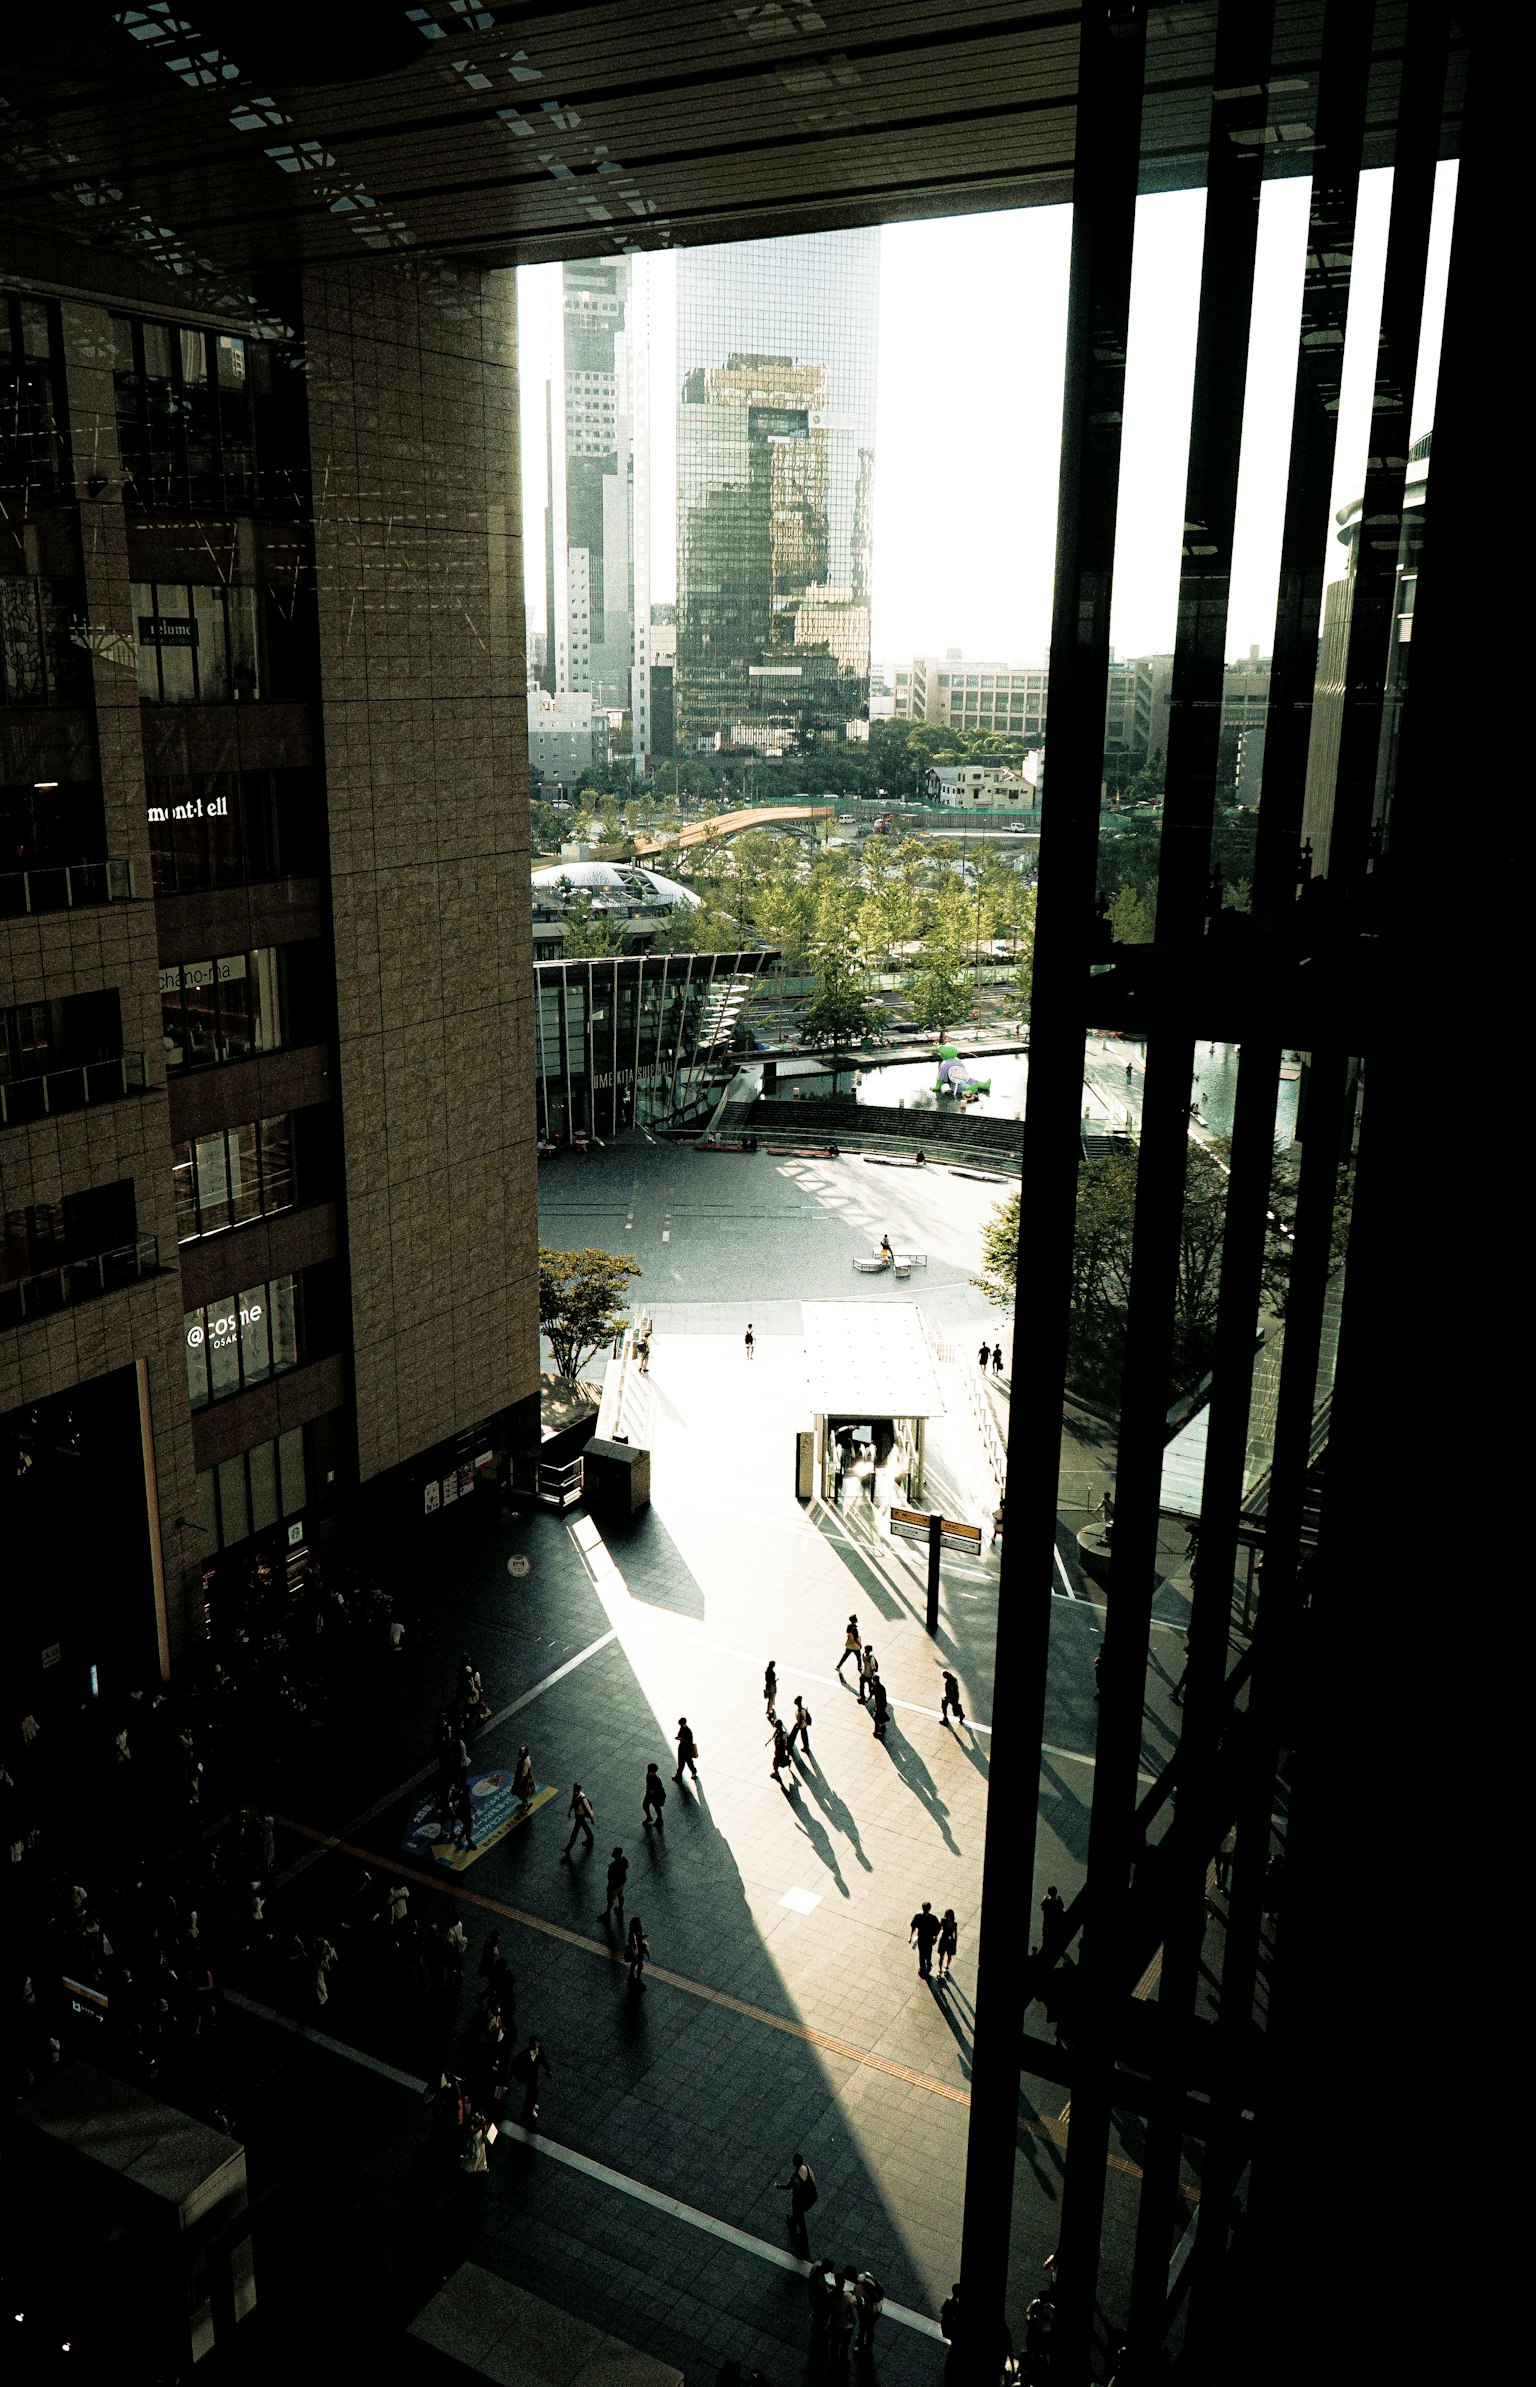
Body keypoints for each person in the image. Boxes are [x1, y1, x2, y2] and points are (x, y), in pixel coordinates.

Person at [774, 2150, 817, 2256]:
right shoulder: (807, 2168)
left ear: (794, 2163)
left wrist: (778, 2186)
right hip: (811, 2196)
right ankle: (793, 2220)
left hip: (800, 2200)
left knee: (800, 2216)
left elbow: (788, 2187)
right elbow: (813, 2180)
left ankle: (803, 2239)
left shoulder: (795, 2178)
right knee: (798, 2214)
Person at [509, 2034, 551, 2127]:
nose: (536, 2046)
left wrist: (548, 2070)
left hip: (533, 2076)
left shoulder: (539, 2050)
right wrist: (517, 2076)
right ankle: (531, 2108)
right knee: (534, 2093)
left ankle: (530, 2106)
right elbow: (515, 2063)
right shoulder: (525, 2054)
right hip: (528, 2076)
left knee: (531, 2092)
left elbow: (543, 2060)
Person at [854, 2269, 885, 2357]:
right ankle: (864, 2341)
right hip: (879, 2305)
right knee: (870, 2327)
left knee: (867, 2327)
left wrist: (858, 2309)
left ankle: (866, 2347)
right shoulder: (866, 2275)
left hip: (871, 2309)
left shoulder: (858, 2287)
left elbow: (859, 2303)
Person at [910, 1900, 942, 1978]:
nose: (925, 1911)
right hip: (924, 1938)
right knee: (923, 1954)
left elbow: (938, 1927)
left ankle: (926, 1965)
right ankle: (924, 1968)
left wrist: (935, 1936)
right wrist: (910, 1936)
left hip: (927, 1939)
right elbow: (913, 1926)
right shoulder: (930, 1918)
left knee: (926, 1954)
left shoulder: (922, 1917)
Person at [563, 1782, 594, 1855]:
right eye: (574, 1789)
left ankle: (568, 1848)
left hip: (581, 1816)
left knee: (575, 1832)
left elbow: (588, 1809)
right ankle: (590, 1839)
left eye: (575, 1789)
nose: (574, 1790)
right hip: (578, 1815)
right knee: (585, 1827)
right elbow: (573, 1803)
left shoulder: (582, 1798)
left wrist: (592, 1818)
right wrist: (570, 1811)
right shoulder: (575, 1794)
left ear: (579, 1790)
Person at [601, 1847, 628, 1923]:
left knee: (610, 1898)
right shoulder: (624, 1861)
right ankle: (620, 1909)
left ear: (616, 1854)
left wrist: (610, 1883)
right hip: (622, 1883)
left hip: (614, 1885)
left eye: (614, 1852)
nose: (612, 1853)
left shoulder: (613, 1865)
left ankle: (607, 1913)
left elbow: (611, 1877)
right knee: (621, 1896)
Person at [1040, 1884, 1067, 1953]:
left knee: (1046, 1939)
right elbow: (1062, 1911)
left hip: (1047, 1923)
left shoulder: (1046, 1901)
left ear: (1049, 1892)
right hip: (1056, 1924)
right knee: (1056, 1939)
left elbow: (1043, 1909)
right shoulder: (1058, 1901)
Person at [626, 1914, 649, 1990]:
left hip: (638, 1950)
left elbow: (639, 1937)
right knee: (639, 1964)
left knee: (635, 1963)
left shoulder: (637, 1930)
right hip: (636, 1952)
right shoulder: (632, 1934)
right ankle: (637, 1977)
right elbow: (633, 1944)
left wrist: (642, 1937)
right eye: (639, 1923)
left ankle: (632, 1975)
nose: (640, 1924)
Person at [674, 1717, 699, 1782]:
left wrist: (681, 1739)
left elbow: (689, 1742)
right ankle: (678, 1776)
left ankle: (694, 1771)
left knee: (689, 1762)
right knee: (681, 1764)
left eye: (682, 1724)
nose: (681, 1726)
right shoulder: (682, 1728)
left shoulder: (688, 1731)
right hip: (682, 1749)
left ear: (684, 1723)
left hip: (687, 1750)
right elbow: (679, 1735)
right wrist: (679, 1737)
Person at [769, 1717, 794, 1784]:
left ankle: (776, 1772)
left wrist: (784, 1749)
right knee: (779, 1759)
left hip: (780, 1750)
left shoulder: (783, 1734)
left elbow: (785, 1743)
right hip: (777, 1749)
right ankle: (787, 1761)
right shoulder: (778, 1732)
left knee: (776, 1761)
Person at [836, 1617, 862, 1681]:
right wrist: (860, 1644)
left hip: (849, 1644)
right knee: (859, 1657)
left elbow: (848, 1632)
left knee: (845, 1656)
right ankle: (859, 1667)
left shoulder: (849, 1626)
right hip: (855, 1646)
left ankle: (838, 1666)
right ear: (854, 1620)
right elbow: (856, 1639)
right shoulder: (855, 1629)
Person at [641, 1763, 667, 1827]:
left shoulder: (656, 1779)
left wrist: (653, 1791)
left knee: (656, 1807)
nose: (649, 1772)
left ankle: (659, 1820)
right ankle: (651, 1818)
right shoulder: (649, 1776)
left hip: (656, 1796)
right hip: (650, 1795)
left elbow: (659, 1789)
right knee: (645, 1805)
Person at [512, 1746, 536, 1812]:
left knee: (520, 1793)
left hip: (524, 1781)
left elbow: (522, 1776)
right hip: (528, 1777)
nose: (518, 1753)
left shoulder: (523, 1763)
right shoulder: (528, 1758)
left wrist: (517, 1784)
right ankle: (525, 1803)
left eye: (519, 1753)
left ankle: (526, 1804)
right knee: (523, 1793)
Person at [937, 1908, 959, 1980]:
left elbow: (955, 1934)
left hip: (950, 1941)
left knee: (949, 1955)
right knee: (941, 1956)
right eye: (947, 1916)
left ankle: (946, 1967)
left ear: (952, 1916)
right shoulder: (943, 1921)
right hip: (943, 1939)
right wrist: (936, 1936)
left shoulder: (954, 1924)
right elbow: (939, 1928)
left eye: (949, 1916)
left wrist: (955, 1943)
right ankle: (940, 1970)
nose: (948, 1917)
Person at [1215, 1823, 1237, 1893]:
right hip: (1227, 1854)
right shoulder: (1231, 1837)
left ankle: (1219, 1881)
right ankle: (1223, 1885)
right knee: (1225, 1869)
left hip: (1219, 1853)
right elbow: (1232, 1847)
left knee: (1218, 1867)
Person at [870, 1676, 889, 1740]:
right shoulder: (881, 1687)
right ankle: (879, 1729)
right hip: (882, 1706)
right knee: (879, 1718)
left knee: (877, 1719)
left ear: (875, 1681)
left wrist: (877, 1707)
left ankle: (877, 1731)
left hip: (880, 1706)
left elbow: (879, 1699)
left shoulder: (878, 1688)